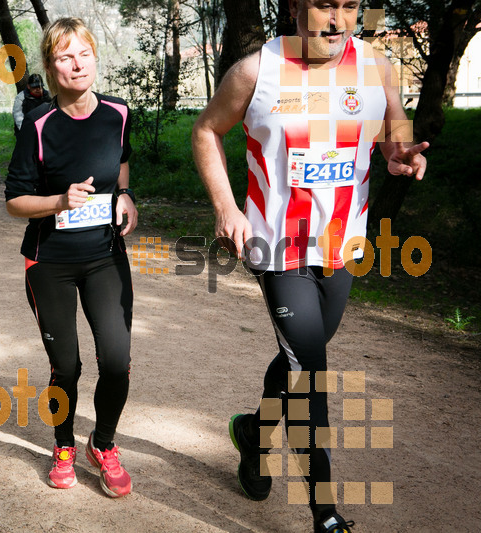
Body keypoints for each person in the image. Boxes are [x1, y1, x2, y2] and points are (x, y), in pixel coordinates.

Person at [191, 1, 428, 532]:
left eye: (350, 6)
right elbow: (207, 130)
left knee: (302, 353)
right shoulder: (256, 71)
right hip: (279, 247)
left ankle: (255, 433)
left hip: (341, 244)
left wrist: (399, 152)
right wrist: (227, 208)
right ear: (297, 6)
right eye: (325, 3)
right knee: (310, 375)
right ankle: (326, 515)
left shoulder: (378, 66)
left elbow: (394, 128)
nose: (338, 19)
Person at [4, 17, 138, 498]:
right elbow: (14, 201)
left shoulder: (119, 113)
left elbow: (122, 160)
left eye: (83, 53)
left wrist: (124, 194)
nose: (76, 63)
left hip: (105, 255)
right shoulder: (38, 125)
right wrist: (60, 201)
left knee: (117, 361)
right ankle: (63, 445)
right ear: (50, 66)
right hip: (50, 262)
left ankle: (102, 444)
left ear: (95, 57)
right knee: (69, 367)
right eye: (64, 56)